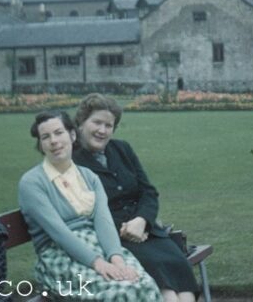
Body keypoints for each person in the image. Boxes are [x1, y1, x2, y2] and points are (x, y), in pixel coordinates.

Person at [18, 111, 162, 301]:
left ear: (72, 135)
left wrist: (117, 259)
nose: (53, 141)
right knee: (120, 293)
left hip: (99, 246)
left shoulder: (89, 176)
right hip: (60, 255)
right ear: (41, 144)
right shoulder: (32, 182)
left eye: (58, 133)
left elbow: (104, 222)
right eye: (46, 137)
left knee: (144, 285)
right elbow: (59, 232)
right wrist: (99, 264)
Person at [72, 94, 198, 302]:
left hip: (148, 233)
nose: (102, 130)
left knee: (183, 281)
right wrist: (127, 228)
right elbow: (84, 211)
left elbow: (148, 192)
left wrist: (141, 221)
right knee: (165, 290)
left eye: (108, 125)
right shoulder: (73, 160)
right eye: (96, 122)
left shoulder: (122, 149)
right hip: (115, 240)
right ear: (81, 122)